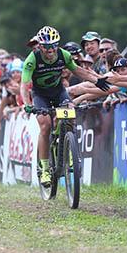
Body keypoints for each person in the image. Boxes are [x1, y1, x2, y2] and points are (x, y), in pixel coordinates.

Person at [21, 26, 109, 186]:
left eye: (54, 45)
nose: (51, 49)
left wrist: (97, 81)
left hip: (59, 92)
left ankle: (70, 151)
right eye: (47, 46)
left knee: (69, 115)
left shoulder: (63, 55)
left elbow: (79, 71)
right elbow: (25, 83)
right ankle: (46, 169)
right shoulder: (32, 59)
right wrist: (27, 104)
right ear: (40, 46)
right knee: (46, 126)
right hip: (40, 96)